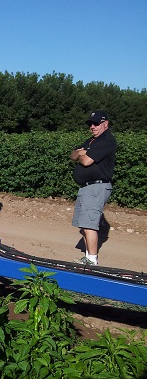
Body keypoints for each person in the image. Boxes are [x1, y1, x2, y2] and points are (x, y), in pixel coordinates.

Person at [70, 110, 117, 266]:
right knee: (83, 224)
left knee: (89, 224)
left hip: (97, 187)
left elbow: (86, 161)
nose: (92, 126)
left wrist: (82, 154)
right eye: (90, 123)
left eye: (96, 123)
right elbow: (73, 154)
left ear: (106, 123)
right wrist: (81, 152)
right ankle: (87, 257)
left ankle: (92, 261)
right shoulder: (91, 141)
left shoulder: (106, 140)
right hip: (86, 187)